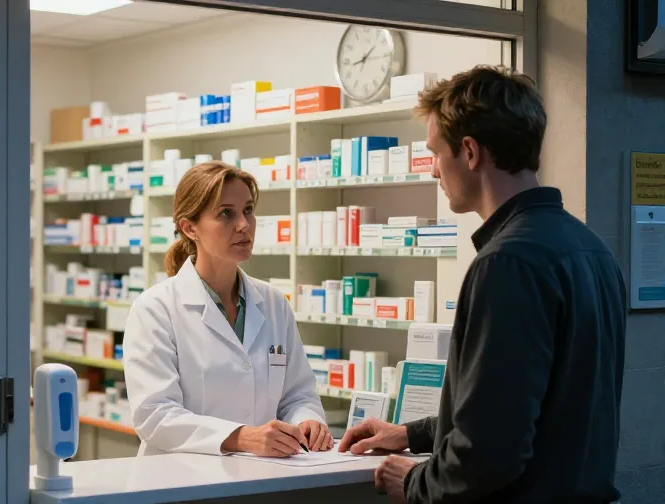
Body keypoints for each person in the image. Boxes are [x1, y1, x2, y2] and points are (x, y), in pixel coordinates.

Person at [337, 65, 626, 504]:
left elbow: (490, 451)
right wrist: (411, 433)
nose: (434, 171)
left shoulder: (507, 263)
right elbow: (524, 408)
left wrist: (414, 483)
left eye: (436, 153)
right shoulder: (590, 249)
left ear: (469, 152)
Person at [123, 161, 332, 457]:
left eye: (248, 210)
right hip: (182, 483)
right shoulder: (155, 309)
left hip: (265, 476)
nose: (244, 224)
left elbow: (298, 393)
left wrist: (307, 420)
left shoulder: (273, 303)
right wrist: (243, 438)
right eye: (226, 214)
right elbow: (155, 416)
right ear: (189, 227)